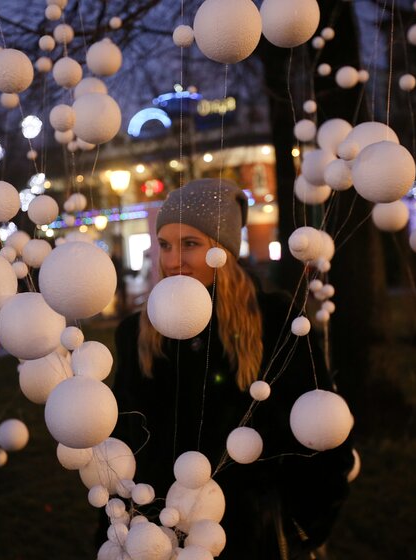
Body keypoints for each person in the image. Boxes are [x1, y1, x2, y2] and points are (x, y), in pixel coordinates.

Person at [111, 179, 354, 559]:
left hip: (251, 535)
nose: (173, 261)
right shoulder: (136, 333)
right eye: (165, 245)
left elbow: (323, 432)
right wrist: (119, 525)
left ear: (222, 249)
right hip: (157, 533)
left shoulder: (276, 322)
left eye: (190, 244)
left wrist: (303, 525)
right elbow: (121, 437)